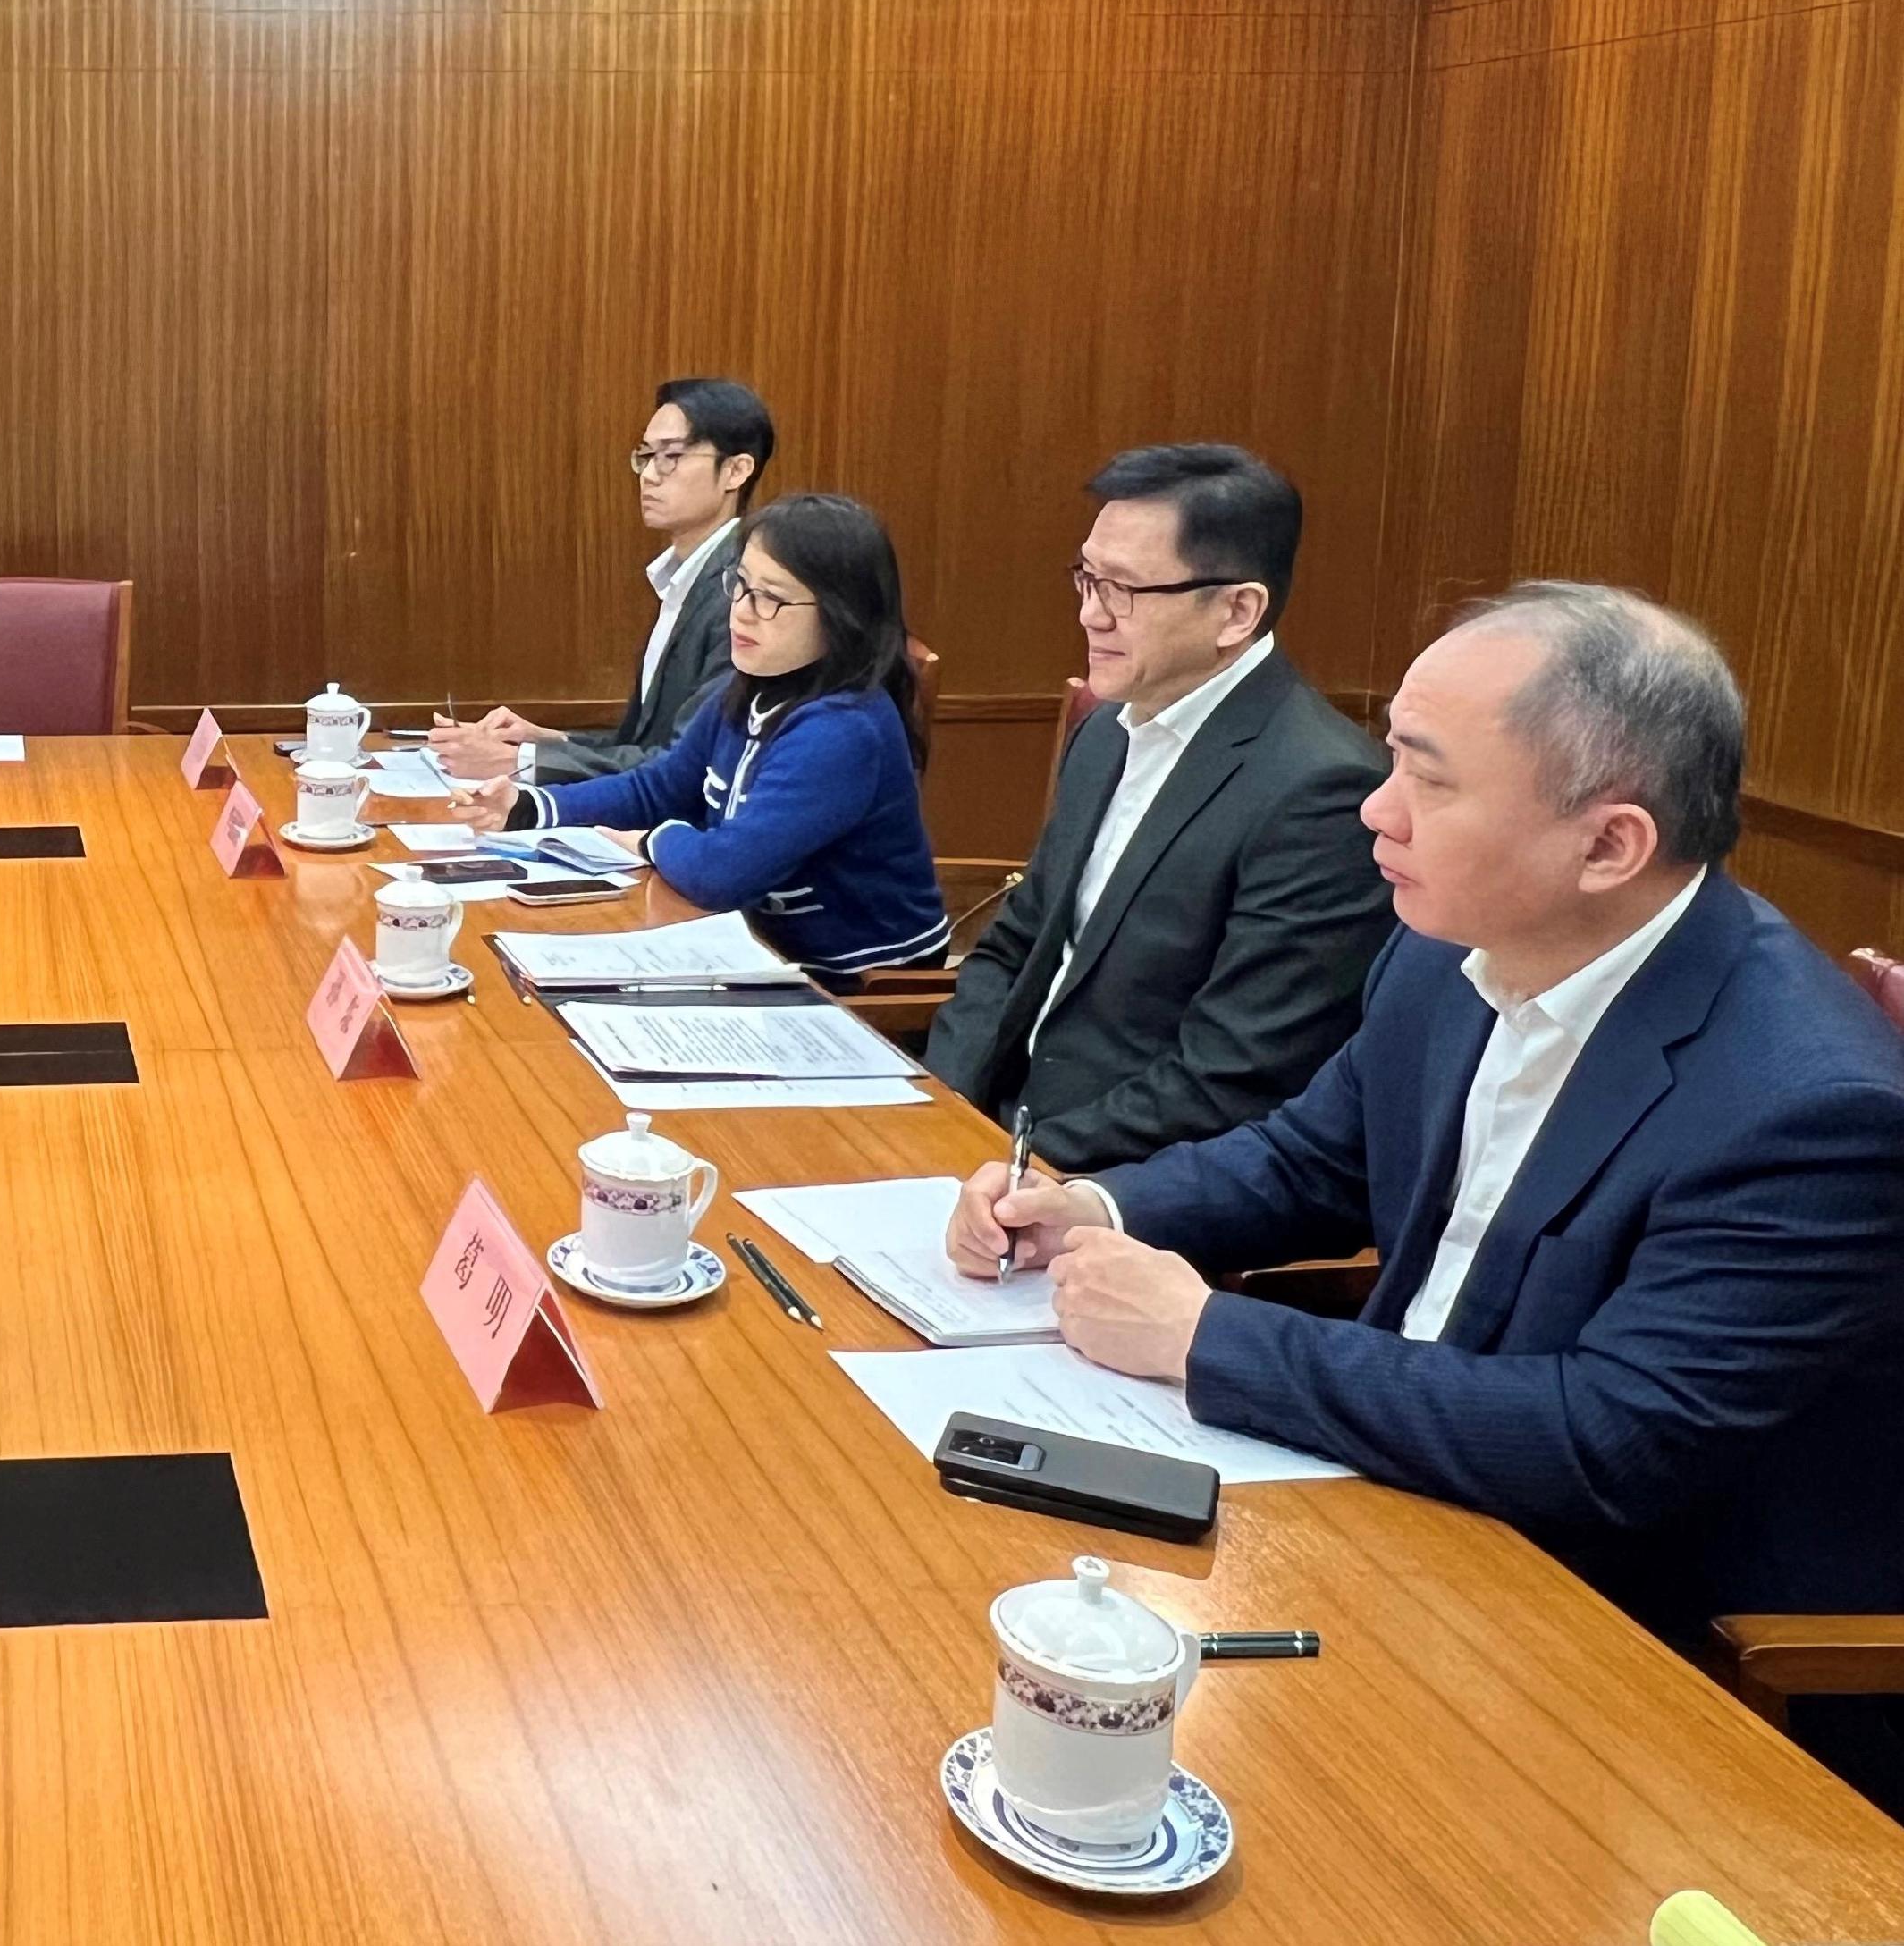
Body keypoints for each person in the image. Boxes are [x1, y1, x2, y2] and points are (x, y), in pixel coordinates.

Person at [946, 585, 1904, 1672]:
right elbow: (1314, 1156)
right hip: (1383, 1491)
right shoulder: (1445, 948)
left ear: (1608, 846)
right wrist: (1087, 1206)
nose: (1376, 810)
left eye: (1429, 779)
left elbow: (1608, 1439)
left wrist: (1206, 1335)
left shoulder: (1808, 1109)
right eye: (1390, 757)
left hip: (1625, 1634)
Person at [923, 445, 1390, 1164]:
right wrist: (943, 1114)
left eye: (1123, 590)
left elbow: (1228, 1078)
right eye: (1087, 576)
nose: (1089, 613)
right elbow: (1014, 944)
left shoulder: (1321, 792)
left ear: (1238, 610)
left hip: (1122, 1191)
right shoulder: (1108, 730)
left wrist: (1018, 1167)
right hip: (991, 1138)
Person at [460, 492, 949, 987]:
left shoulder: (844, 729)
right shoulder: (743, 691)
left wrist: (653, 840)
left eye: (771, 598)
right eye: (739, 586)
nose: (742, 611)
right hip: (754, 945)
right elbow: (657, 789)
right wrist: (527, 807)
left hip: (857, 983)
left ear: (845, 615)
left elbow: (723, 873)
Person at [430, 377, 773, 785]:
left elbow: (683, 764)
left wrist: (519, 761)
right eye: (645, 456)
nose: (649, 475)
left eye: (671, 456)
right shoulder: (687, 578)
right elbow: (644, 744)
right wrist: (547, 739)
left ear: (736, 470)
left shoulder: (739, 591)